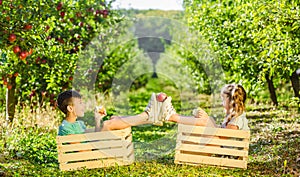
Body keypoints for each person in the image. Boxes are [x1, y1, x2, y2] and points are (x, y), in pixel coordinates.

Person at [56, 90, 174, 135]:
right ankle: (148, 115)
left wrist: (97, 120)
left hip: (94, 146)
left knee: (114, 118)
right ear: (70, 108)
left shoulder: (78, 124)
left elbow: (94, 133)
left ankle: (150, 117)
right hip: (89, 153)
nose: (84, 105)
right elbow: (82, 150)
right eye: (80, 103)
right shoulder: (65, 128)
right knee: (108, 124)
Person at [166, 84, 249, 131]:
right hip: (223, 148)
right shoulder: (234, 116)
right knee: (205, 120)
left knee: (205, 121)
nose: (221, 102)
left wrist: (209, 122)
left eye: (223, 99)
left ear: (231, 102)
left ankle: (172, 117)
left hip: (228, 153)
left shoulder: (237, 119)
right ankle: (173, 116)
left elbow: (224, 137)